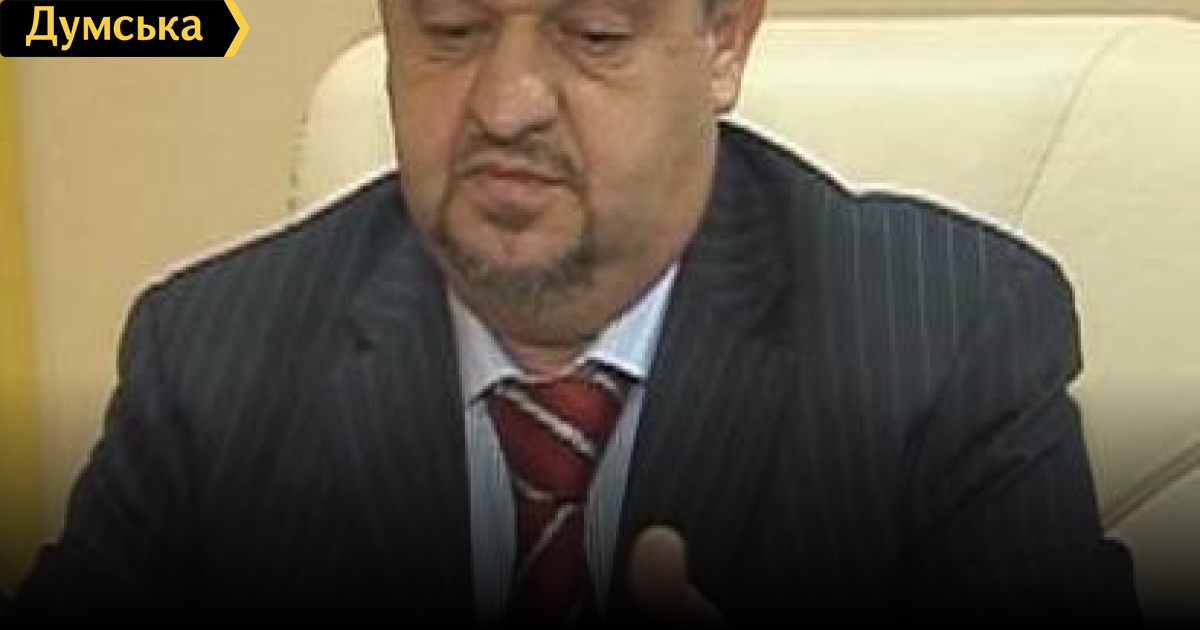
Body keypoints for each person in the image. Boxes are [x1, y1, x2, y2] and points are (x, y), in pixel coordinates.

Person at [15, 0, 1140, 625]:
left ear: (724, 41)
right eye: (450, 29)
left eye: (593, 34)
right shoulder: (208, 363)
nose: (506, 105)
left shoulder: (946, 340)